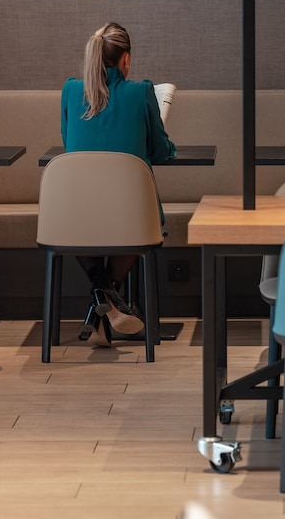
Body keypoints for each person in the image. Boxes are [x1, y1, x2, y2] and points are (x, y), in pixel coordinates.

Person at [61, 22, 176, 346]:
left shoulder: (71, 91)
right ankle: (107, 304)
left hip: (74, 216)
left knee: (76, 221)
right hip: (130, 217)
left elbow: (68, 143)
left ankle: (100, 302)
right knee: (137, 222)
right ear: (126, 58)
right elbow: (159, 150)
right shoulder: (141, 92)